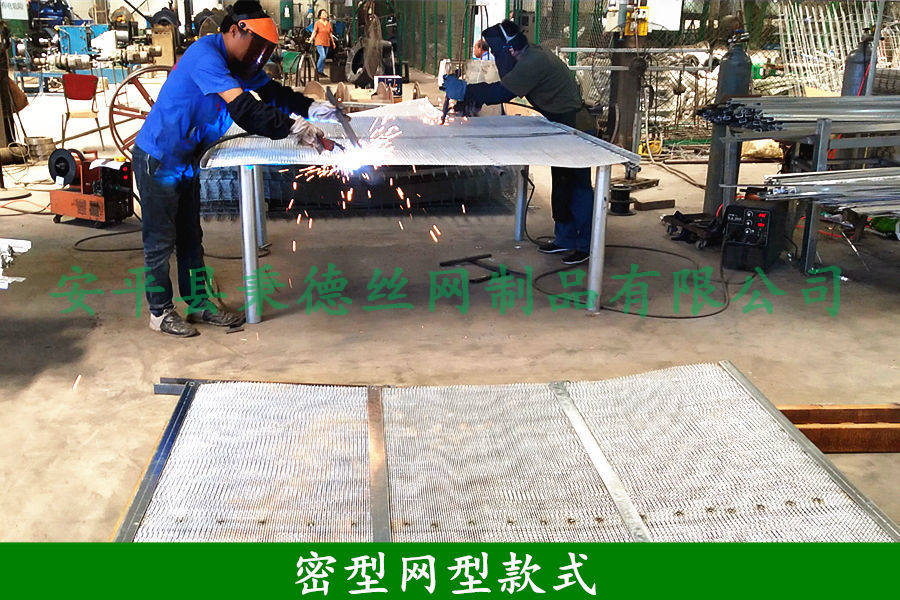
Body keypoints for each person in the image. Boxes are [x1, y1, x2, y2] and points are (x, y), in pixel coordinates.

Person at [133, 0, 346, 337]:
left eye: (264, 51)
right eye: (255, 47)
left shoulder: (240, 63)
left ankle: (198, 303)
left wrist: (312, 109)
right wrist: (294, 128)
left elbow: (272, 92)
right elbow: (245, 109)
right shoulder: (206, 56)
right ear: (234, 31)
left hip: (187, 158)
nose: (258, 57)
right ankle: (160, 312)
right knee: (160, 241)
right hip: (159, 158)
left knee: (190, 237)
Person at [443, 21, 593, 266]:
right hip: (560, 123)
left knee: (578, 187)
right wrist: (471, 94)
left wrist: (465, 91)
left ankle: (586, 246)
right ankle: (565, 240)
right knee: (562, 183)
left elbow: (501, 93)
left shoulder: (533, 62)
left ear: (510, 49)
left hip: (576, 125)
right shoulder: (529, 53)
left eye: (497, 52)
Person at [309, 8, 334, 76]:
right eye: (323, 13)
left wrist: (333, 42)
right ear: (320, 15)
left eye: (325, 13)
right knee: (322, 56)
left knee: (324, 58)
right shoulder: (317, 23)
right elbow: (314, 32)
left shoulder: (328, 23)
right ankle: (317, 70)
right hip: (319, 42)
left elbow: (330, 33)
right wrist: (310, 39)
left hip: (326, 42)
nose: (325, 14)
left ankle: (320, 71)